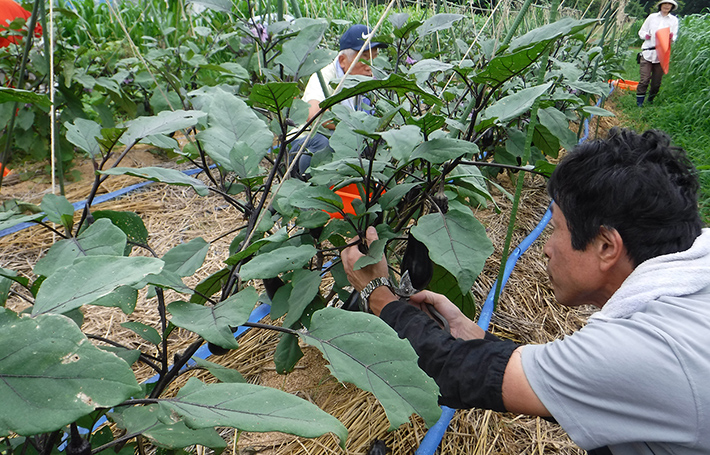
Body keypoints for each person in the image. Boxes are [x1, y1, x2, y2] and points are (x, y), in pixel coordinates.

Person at [342, 128, 710, 454]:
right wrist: (473, 336)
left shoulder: (640, 351)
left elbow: (454, 371)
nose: (546, 247)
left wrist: (379, 294)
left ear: (606, 246)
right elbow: (568, 383)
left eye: (557, 228)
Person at [289, 24, 387, 179]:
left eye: (374, 59)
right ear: (342, 60)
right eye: (365, 59)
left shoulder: (362, 80)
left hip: (342, 139)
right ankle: (307, 189)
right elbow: (313, 115)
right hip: (303, 141)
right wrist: (355, 126)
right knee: (323, 143)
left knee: (375, 145)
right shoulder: (324, 75)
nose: (371, 67)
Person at [636, 0, 679, 107]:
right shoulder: (652, 17)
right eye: (665, 3)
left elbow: (674, 36)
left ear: (672, 7)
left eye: (669, 4)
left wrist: (670, 37)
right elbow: (641, 31)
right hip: (647, 51)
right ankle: (639, 104)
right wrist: (646, 36)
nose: (667, 6)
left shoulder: (674, 20)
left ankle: (650, 100)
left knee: (656, 83)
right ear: (660, 5)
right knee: (644, 79)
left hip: (661, 55)